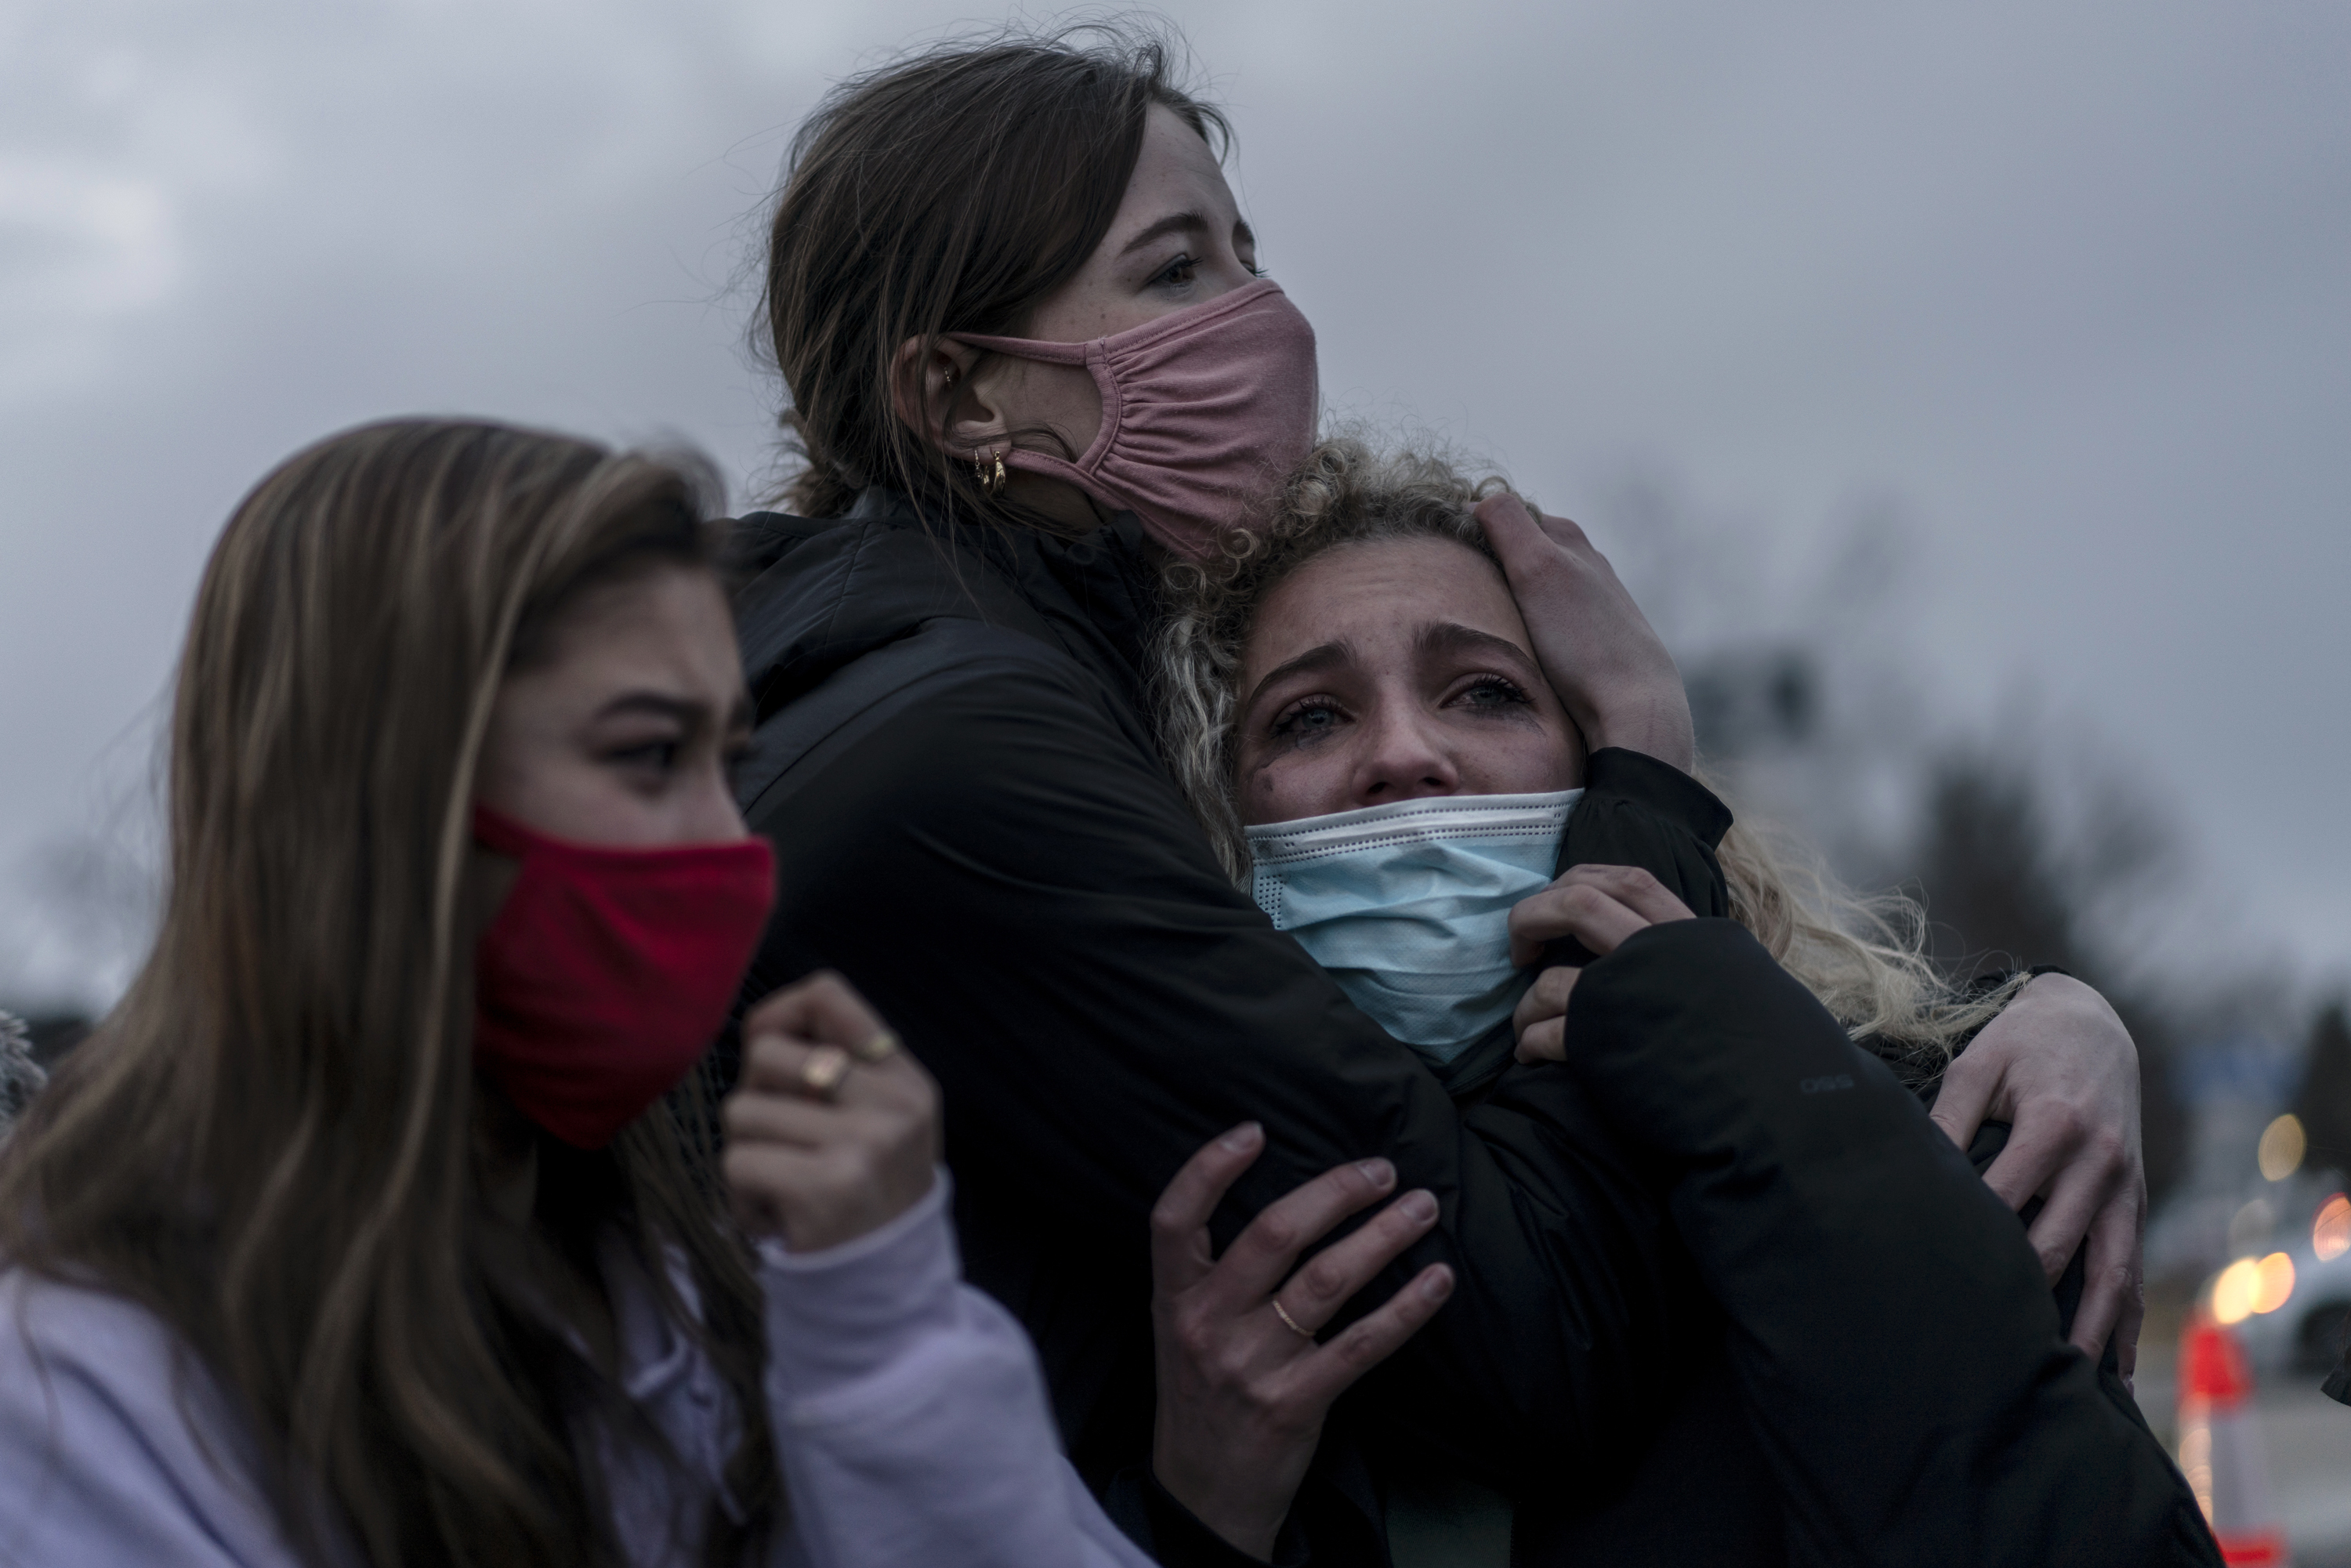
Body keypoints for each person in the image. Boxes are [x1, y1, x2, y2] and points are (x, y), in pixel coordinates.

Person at [728, 23, 2148, 1558]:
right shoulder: (989, 758)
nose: (1260, 320)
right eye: (1174, 271)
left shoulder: (1949, 1136)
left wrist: (2020, 1015)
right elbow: (1533, 1327)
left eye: (1485, 689)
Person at [0, 418, 1454, 1568]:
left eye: (727, 761)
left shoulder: (672, 1296)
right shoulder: (72, 1392)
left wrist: (882, 1327)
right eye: (646, 758)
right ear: (381, 805)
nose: (722, 840)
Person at [1156, 434, 2220, 1563]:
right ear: (1227, 814)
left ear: (1600, 765)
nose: (1406, 755)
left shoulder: (1934, 1124)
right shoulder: (1181, 1249)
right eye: (1311, 717)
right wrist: (1198, 1521)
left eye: (1484, 692)